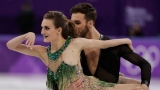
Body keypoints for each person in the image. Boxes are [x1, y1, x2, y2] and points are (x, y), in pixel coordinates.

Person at [7, 11, 148, 90]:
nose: (42, 31)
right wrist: (27, 34)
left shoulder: (75, 44)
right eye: (42, 27)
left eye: (47, 28)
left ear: (59, 30)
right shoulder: (42, 52)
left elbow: (103, 44)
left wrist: (126, 40)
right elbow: (11, 45)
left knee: (139, 87)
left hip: (93, 87)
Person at [69, 3, 151, 90]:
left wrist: (144, 85)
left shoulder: (114, 46)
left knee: (139, 86)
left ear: (90, 23)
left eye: (77, 23)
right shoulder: (74, 46)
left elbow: (144, 64)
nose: (73, 27)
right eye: (71, 23)